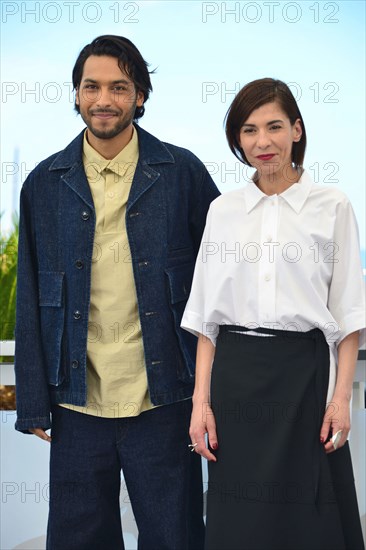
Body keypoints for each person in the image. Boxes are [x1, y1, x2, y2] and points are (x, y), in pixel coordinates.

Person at [14, 35, 220, 550]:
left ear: (140, 97)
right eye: (92, 86)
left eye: (119, 87)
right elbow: (29, 299)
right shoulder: (43, 183)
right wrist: (35, 402)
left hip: (165, 398)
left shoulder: (183, 173)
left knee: (174, 537)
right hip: (76, 405)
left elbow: (223, 281)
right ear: (76, 94)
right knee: (77, 540)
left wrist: (215, 392)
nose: (104, 99)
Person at [182, 78, 365, 550]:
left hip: (305, 380)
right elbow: (207, 320)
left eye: (274, 126)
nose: (262, 142)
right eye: (248, 130)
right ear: (237, 141)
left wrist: (341, 397)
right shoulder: (222, 211)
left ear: (297, 130)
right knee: (237, 522)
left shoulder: (333, 206)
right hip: (234, 380)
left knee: (310, 516)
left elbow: (348, 314)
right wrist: (201, 403)